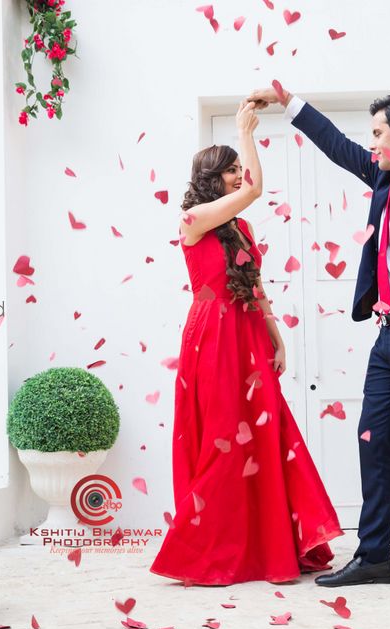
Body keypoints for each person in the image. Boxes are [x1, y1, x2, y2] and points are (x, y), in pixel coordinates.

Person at [248, 87, 390, 597]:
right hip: (387, 335)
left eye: (377, 133)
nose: (371, 144)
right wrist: (290, 102)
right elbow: (337, 146)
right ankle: (375, 556)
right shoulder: (385, 178)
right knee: (373, 442)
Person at [150, 100, 343, 586]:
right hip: (212, 337)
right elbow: (256, 190)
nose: (240, 175)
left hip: (250, 333)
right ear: (212, 179)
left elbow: (254, 284)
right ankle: (210, 549)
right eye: (232, 170)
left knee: (267, 430)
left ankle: (272, 543)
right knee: (222, 437)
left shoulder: (243, 229)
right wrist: (245, 131)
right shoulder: (193, 221)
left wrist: (275, 334)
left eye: (240, 168)